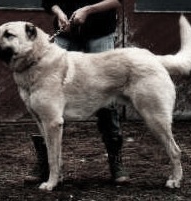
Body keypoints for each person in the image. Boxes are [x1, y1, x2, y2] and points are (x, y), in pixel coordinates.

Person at [25, 0, 129, 184]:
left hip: (100, 34)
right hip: (65, 35)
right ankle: (48, 165)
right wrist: (58, 12)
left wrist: (88, 10)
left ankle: (115, 160)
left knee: (106, 97)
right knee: (47, 102)